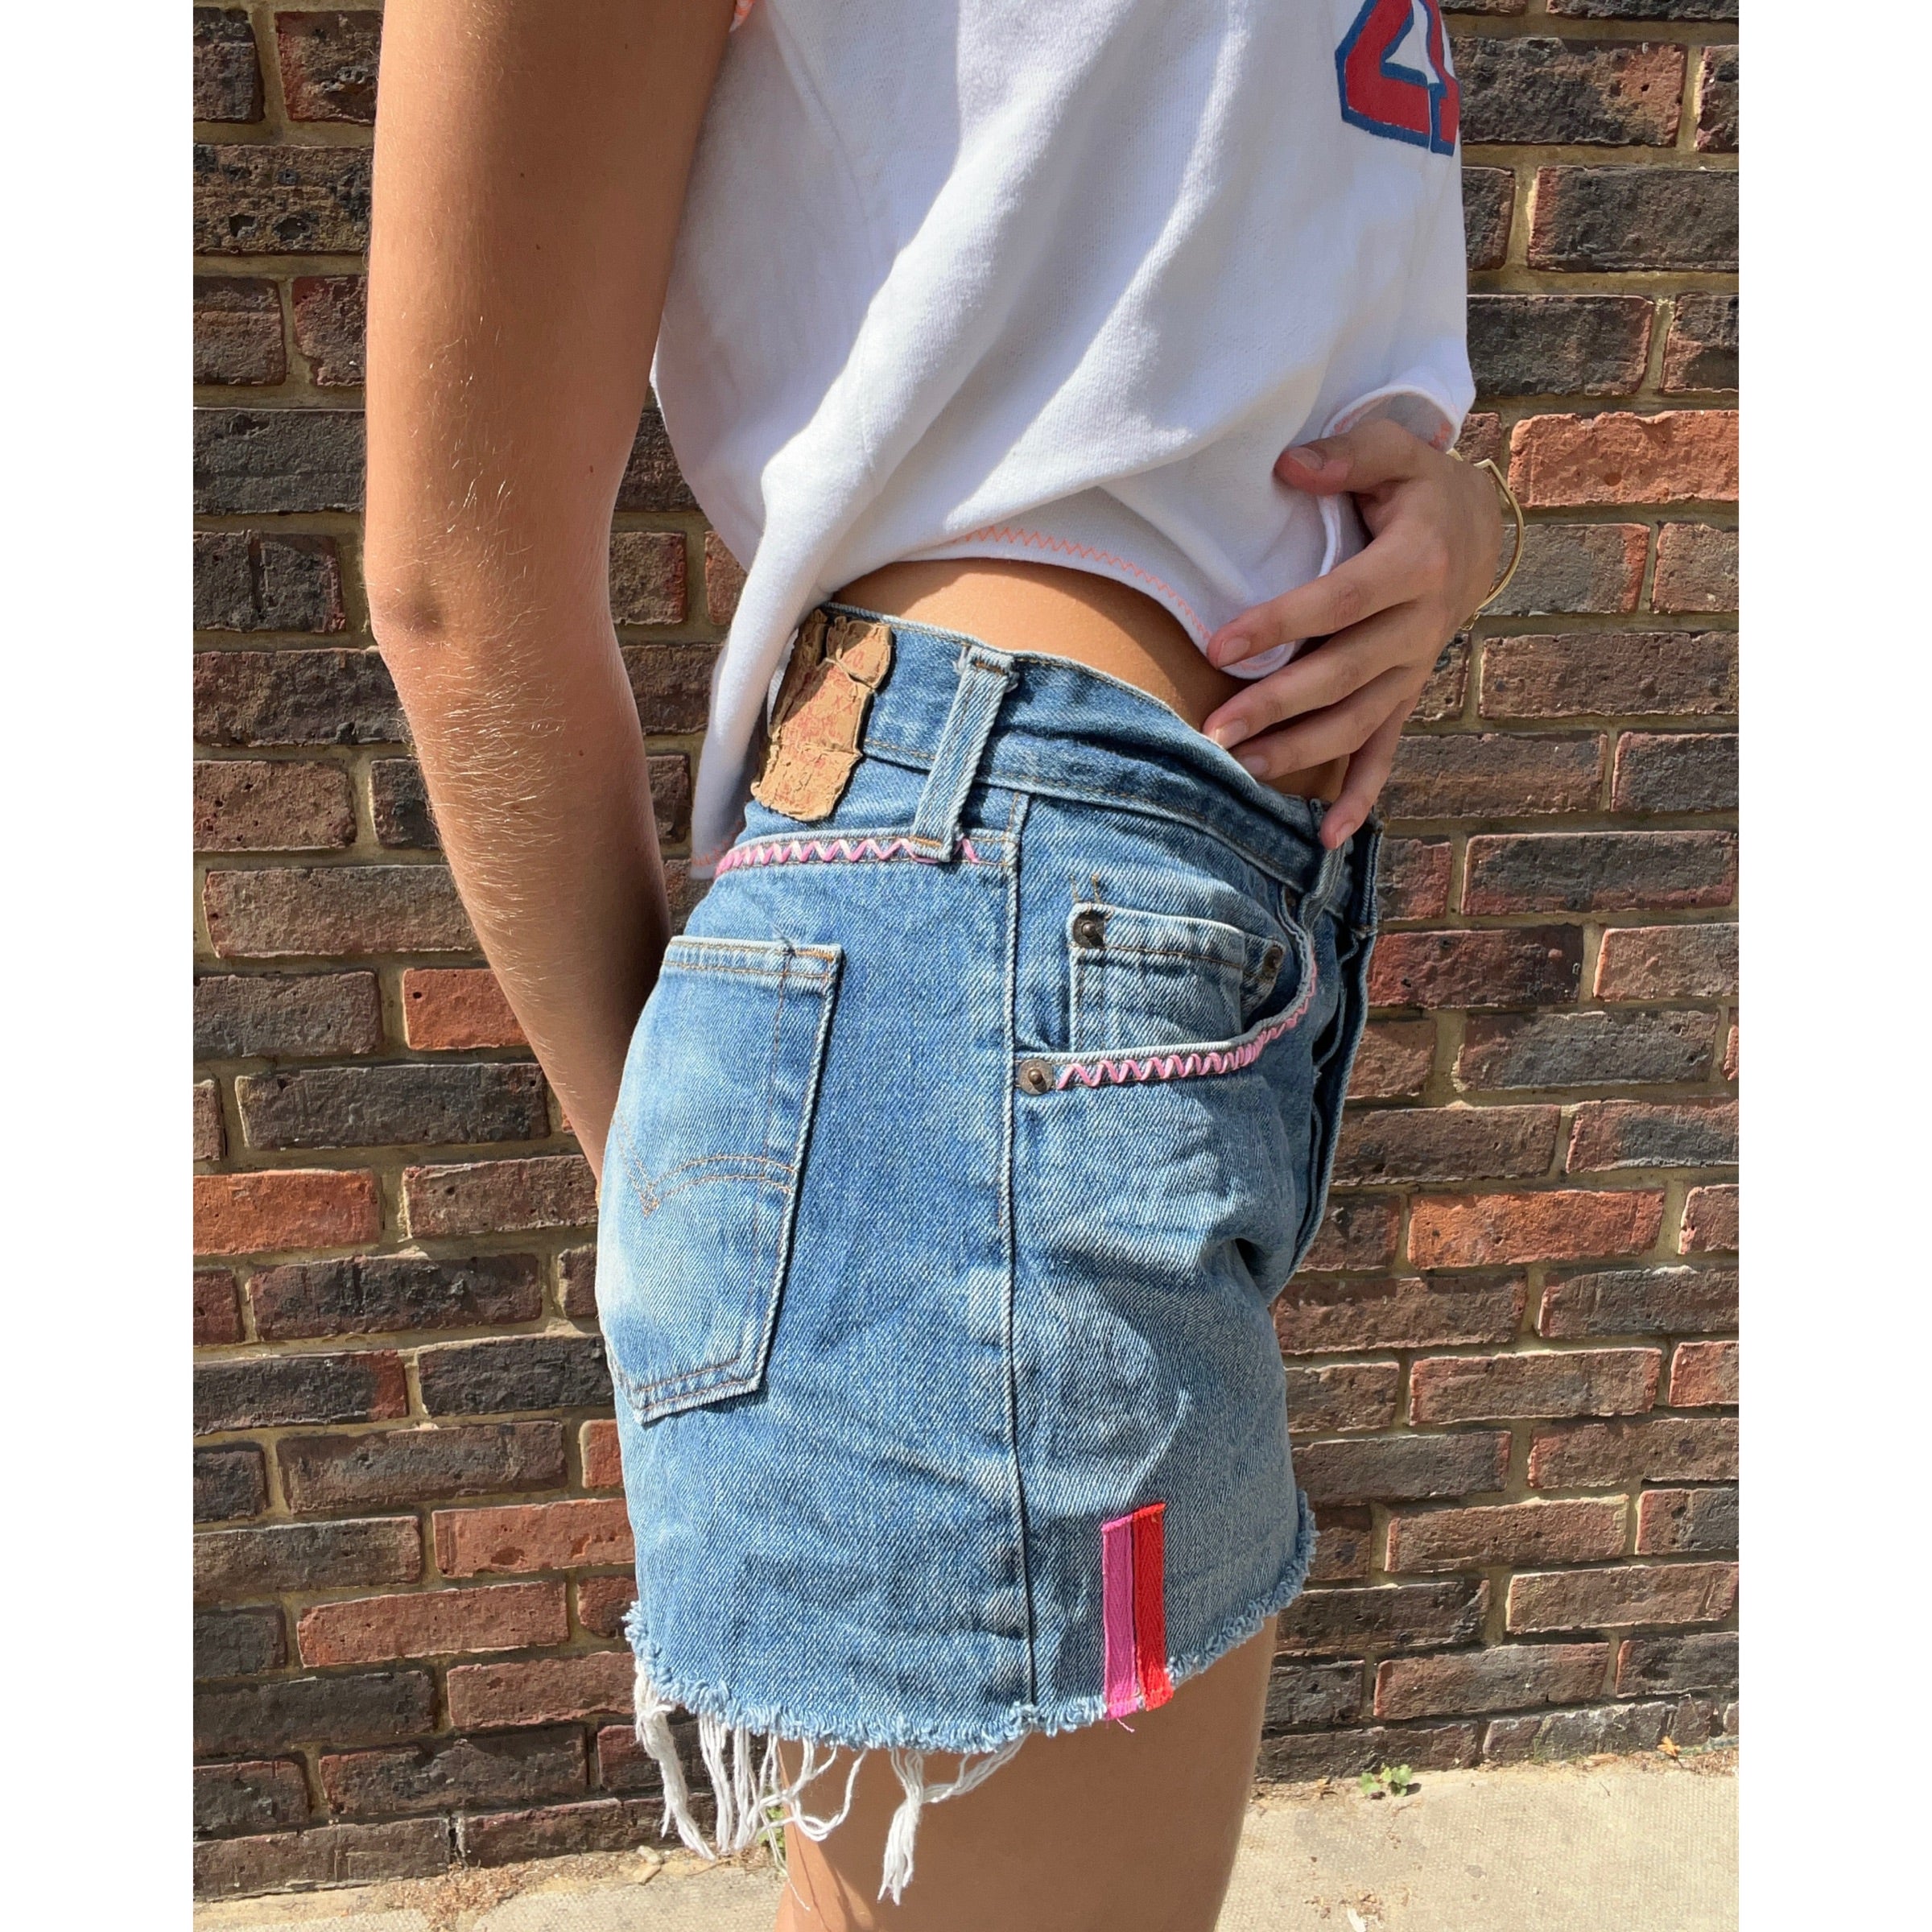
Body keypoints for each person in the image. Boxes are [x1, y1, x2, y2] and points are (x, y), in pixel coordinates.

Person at [365, 4, 1509, 1927]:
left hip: (1169, 936)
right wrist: (695, 1206)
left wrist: (1470, 521)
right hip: (983, 943)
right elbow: (456, 577)